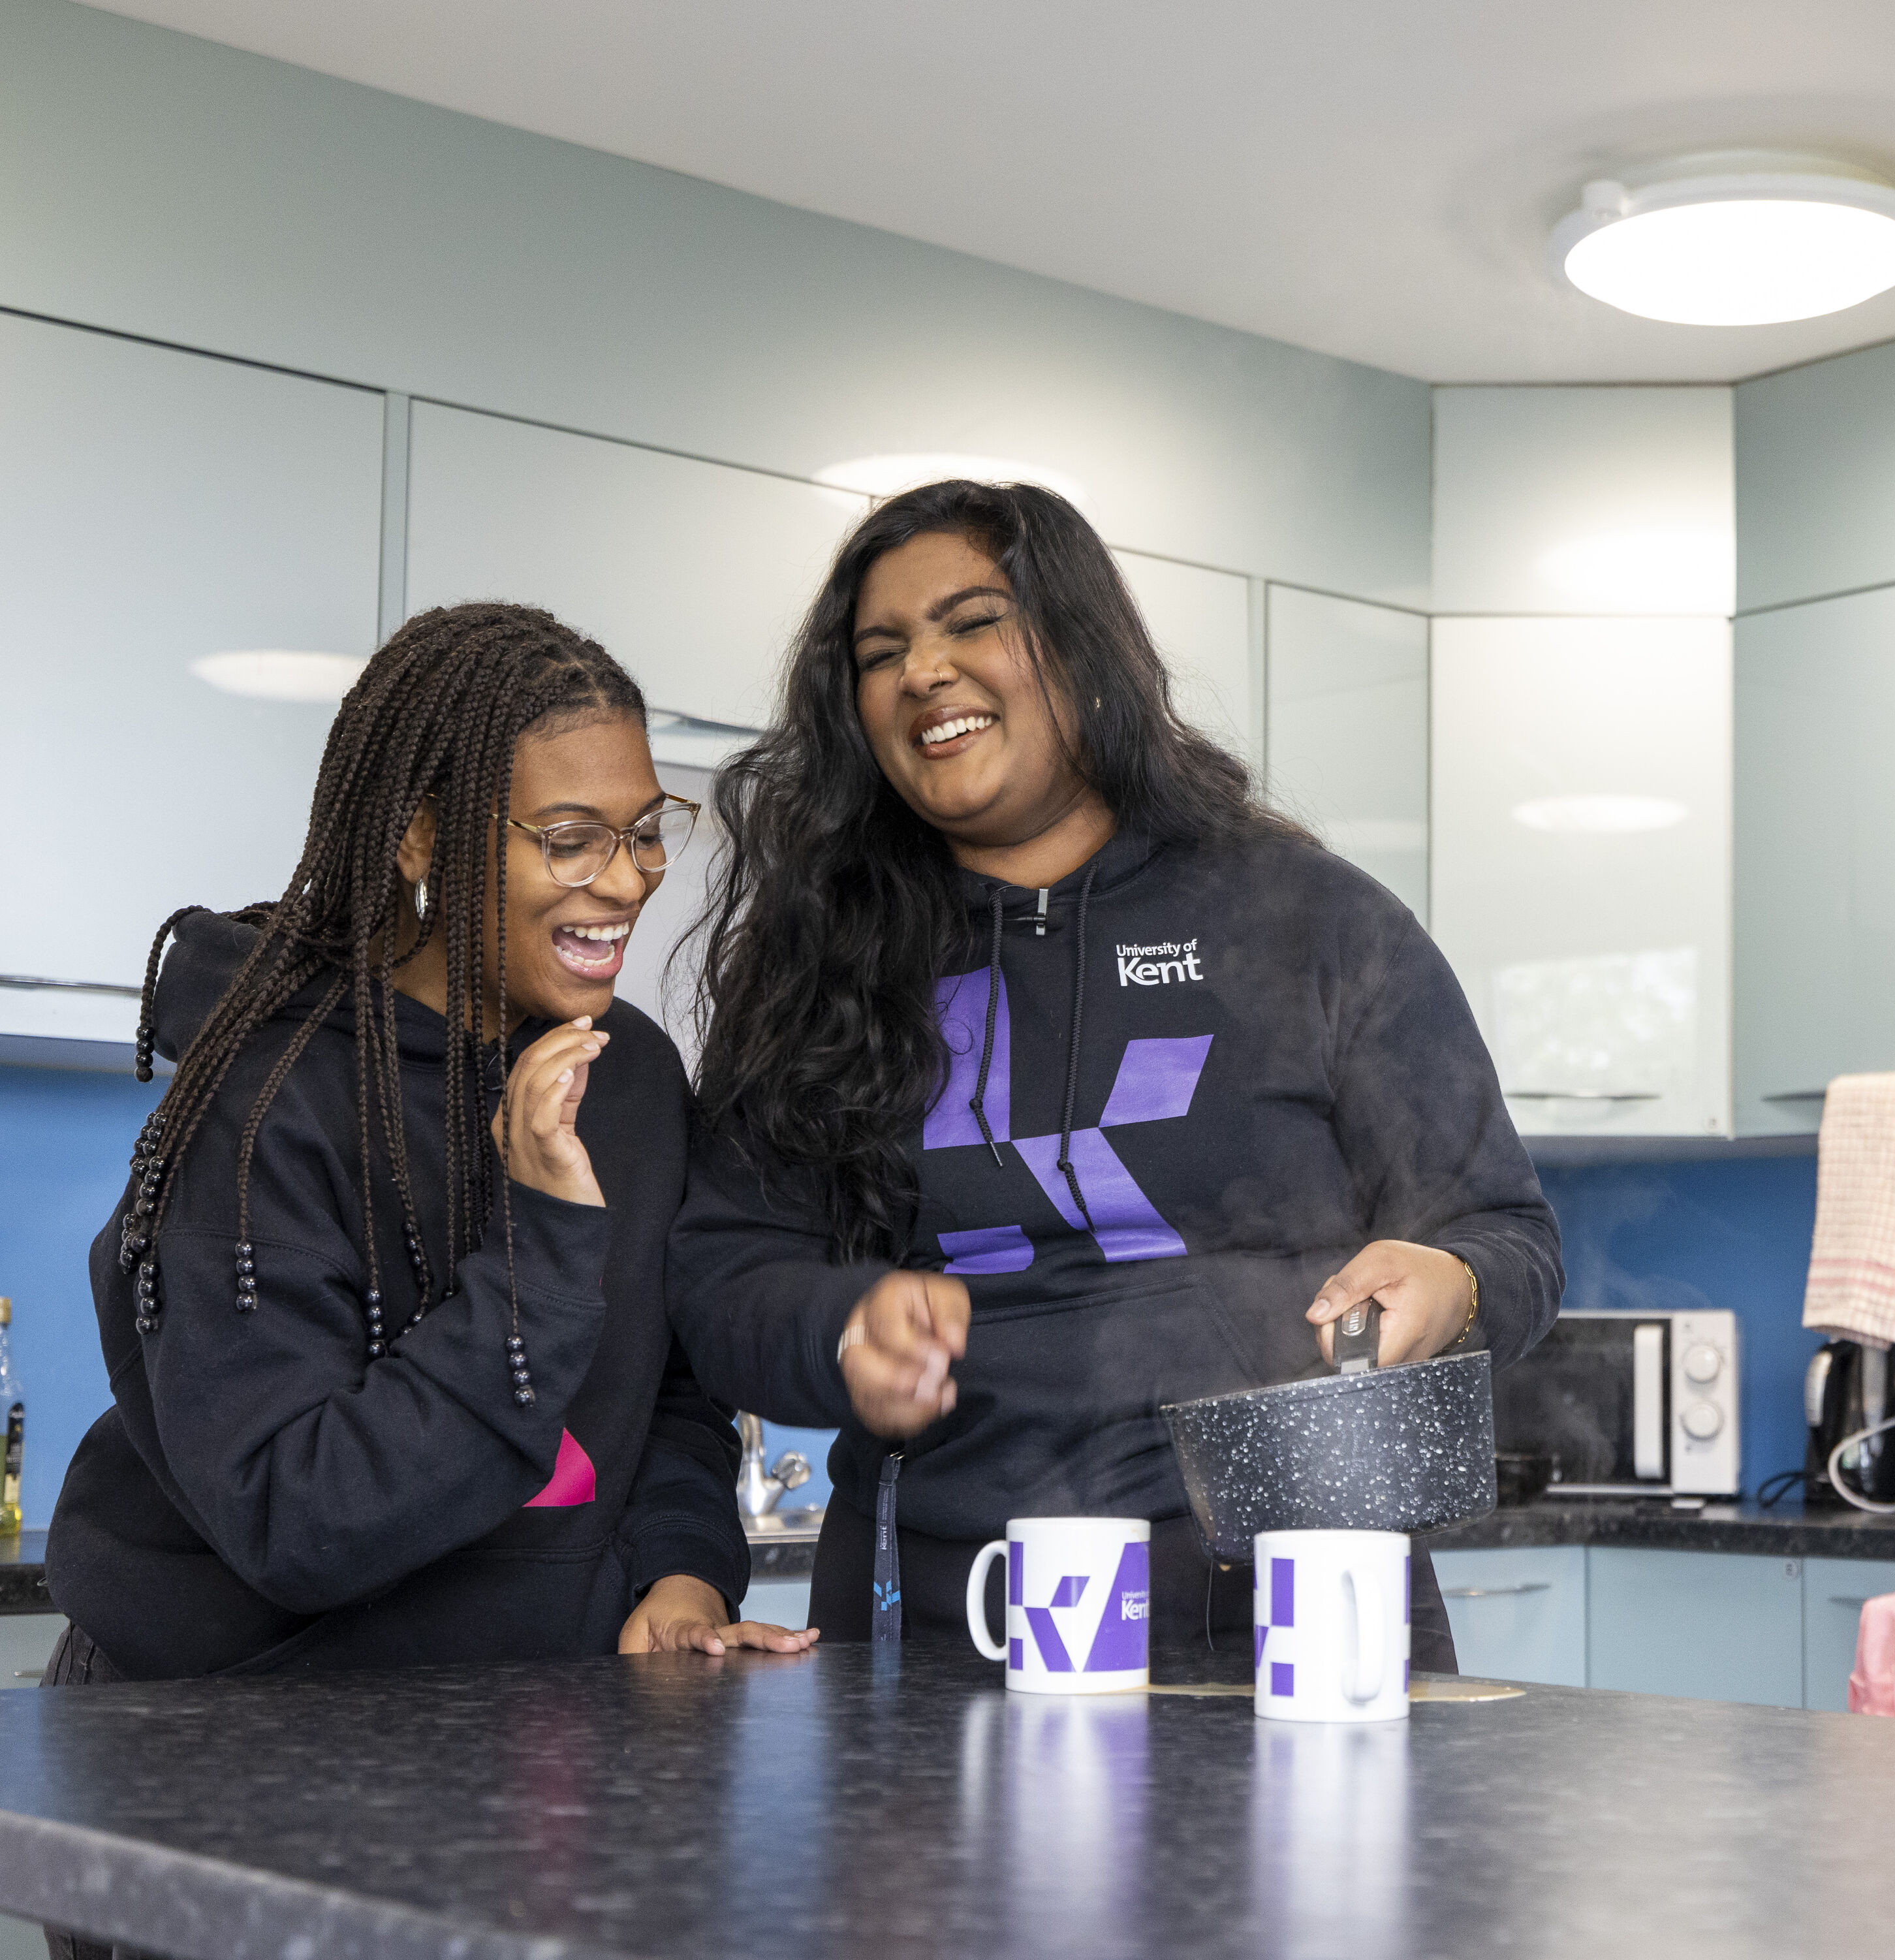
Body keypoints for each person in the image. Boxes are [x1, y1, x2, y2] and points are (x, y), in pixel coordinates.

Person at [668, 479, 1561, 1666]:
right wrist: (839, 1327)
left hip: (1298, 1630)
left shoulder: (1313, 918)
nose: (922, 669)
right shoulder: (820, 961)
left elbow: (1507, 1233)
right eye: (881, 652)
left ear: (1081, 646)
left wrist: (1454, 1280)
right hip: (939, 1634)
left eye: (973, 620)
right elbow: (721, 1275)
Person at [47, 603, 811, 1695]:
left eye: (645, 830)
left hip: (517, 1720)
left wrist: (682, 1571)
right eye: (570, 837)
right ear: (417, 833)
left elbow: (669, 1394)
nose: (633, 877)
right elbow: (295, 1517)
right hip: (218, 1723)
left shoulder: (628, 1074)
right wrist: (541, 1239)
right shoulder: (265, 1100)